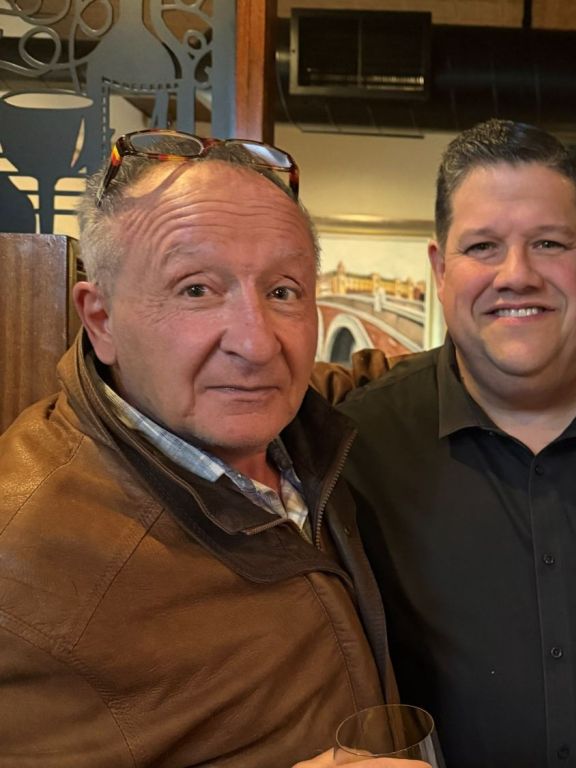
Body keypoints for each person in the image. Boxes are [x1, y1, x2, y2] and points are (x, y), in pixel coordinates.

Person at [0, 130, 424, 768]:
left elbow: (380, 381)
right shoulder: (23, 544)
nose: (256, 344)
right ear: (101, 319)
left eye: (282, 292)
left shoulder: (300, 427)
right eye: (196, 289)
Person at [337, 119, 576, 768]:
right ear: (440, 269)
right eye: (483, 246)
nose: (516, 275)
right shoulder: (360, 447)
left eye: (548, 243)